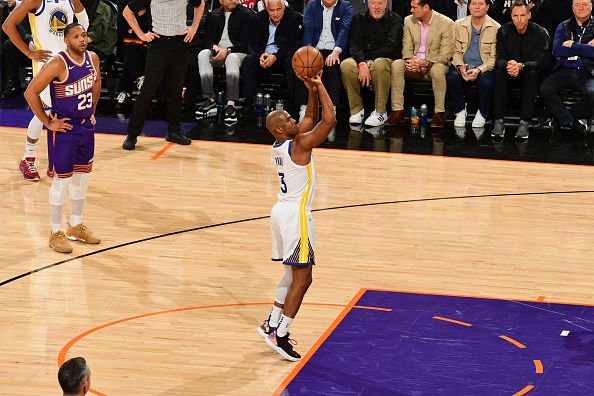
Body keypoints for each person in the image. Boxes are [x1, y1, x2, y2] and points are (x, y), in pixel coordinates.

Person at [257, 73, 336, 362]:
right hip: (295, 217)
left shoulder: (280, 145)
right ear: (280, 128)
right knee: (304, 280)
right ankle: (281, 333)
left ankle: (270, 322)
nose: (295, 121)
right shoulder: (298, 145)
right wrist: (323, 86)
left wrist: (311, 90)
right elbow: (328, 121)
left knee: (291, 273)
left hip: (280, 212)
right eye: (289, 120)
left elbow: (311, 115)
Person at [24, 23, 101, 254]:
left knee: (82, 179)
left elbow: (96, 83)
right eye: (76, 36)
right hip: (65, 129)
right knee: (62, 180)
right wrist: (48, 122)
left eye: (84, 35)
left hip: (86, 128)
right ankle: (55, 231)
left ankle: (75, 226)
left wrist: (93, 111)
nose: (82, 39)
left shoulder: (93, 58)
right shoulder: (58, 62)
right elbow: (30, 92)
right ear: (66, 40)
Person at [2, 0, 88, 181]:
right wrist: (28, 52)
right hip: (46, 63)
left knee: (66, 111)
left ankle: (60, 158)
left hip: (68, 62)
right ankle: (28, 158)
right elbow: (8, 25)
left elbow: (84, 21)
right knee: (46, 112)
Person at [121, 0, 204, 150]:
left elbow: (201, 4)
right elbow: (127, 12)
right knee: (147, 90)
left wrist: (194, 28)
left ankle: (174, 131)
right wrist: (141, 35)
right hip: (159, 44)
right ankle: (132, 135)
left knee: (176, 90)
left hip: (181, 43)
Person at [387, 0, 454, 128]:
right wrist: (412, 61)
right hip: (414, 65)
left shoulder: (446, 23)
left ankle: (439, 113)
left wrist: (424, 63)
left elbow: (445, 55)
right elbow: (406, 47)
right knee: (397, 65)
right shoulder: (408, 20)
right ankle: (397, 111)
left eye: (414, 7)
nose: (411, 10)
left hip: (433, 65)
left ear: (426, 7)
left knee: (438, 70)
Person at [492, 0, 550, 140]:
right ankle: (499, 120)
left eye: (522, 15)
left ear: (529, 15)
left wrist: (522, 66)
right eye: (515, 16)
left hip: (529, 71)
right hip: (510, 70)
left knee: (532, 74)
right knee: (500, 73)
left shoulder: (540, 32)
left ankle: (524, 121)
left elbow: (541, 61)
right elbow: (499, 57)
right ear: (511, 16)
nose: (519, 19)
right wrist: (509, 65)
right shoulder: (504, 30)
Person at [340, 0, 403, 127]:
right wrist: (362, 63)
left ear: (386, 4)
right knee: (346, 65)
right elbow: (354, 45)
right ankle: (357, 110)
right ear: (368, 3)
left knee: (379, 64)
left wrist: (371, 60)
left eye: (380, 3)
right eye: (373, 3)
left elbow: (390, 46)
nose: (377, 7)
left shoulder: (395, 19)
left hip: (385, 59)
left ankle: (380, 112)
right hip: (363, 59)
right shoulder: (358, 19)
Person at [539, 0, 594, 135]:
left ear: (592, 6)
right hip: (564, 69)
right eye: (577, 4)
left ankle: (561, 119)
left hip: (587, 71)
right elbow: (557, 50)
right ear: (572, 7)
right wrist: (586, 48)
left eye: (585, 4)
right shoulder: (563, 26)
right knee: (545, 88)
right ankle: (570, 121)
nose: (581, 7)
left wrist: (573, 45)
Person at [241, 0, 305, 114]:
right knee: (248, 61)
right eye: (271, 10)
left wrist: (276, 57)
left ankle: (294, 104)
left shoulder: (295, 18)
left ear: (284, 7)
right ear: (266, 8)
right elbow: (252, 44)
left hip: (283, 55)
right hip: (264, 54)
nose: (275, 14)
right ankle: (250, 100)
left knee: (292, 63)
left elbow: (294, 46)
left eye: (278, 9)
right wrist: (261, 54)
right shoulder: (258, 18)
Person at [302, 0, 354, 140]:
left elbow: (344, 30)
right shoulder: (312, 5)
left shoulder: (346, 6)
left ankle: (331, 110)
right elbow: (308, 29)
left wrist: (336, 51)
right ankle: (304, 108)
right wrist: (309, 53)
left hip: (335, 50)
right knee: (303, 65)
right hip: (316, 48)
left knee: (333, 65)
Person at [195, 0, 253, 124]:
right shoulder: (213, 15)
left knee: (231, 59)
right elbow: (208, 39)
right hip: (218, 52)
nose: (233, 0)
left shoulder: (246, 14)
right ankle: (210, 99)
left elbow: (246, 44)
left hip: (238, 53)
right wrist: (214, 47)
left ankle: (231, 104)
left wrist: (228, 50)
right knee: (203, 54)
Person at [447, 0, 499, 128]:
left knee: (487, 82)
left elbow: (494, 58)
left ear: (487, 7)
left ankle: (482, 112)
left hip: (485, 67)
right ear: (468, 6)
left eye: (481, 4)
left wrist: (480, 70)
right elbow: (455, 51)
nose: (477, 7)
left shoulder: (496, 27)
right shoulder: (458, 24)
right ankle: (459, 110)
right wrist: (460, 66)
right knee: (451, 76)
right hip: (464, 65)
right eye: (473, 3)